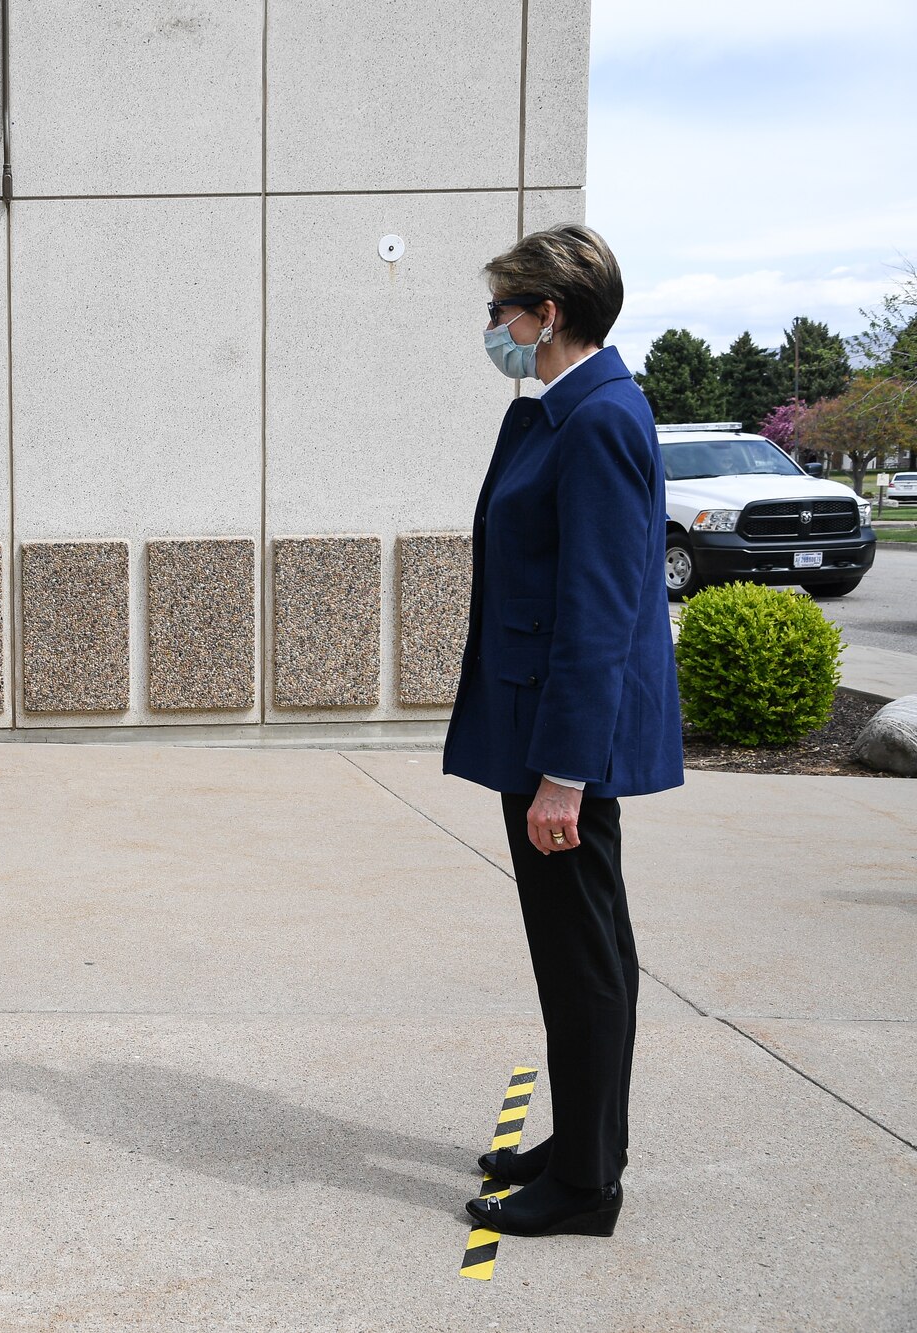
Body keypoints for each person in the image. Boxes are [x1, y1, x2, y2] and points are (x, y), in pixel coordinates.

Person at [443, 224, 683, 1238]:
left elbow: (598, 608)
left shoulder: (597, 421)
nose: (491, 328)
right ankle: (585, 1141)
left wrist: (563, 774)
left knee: (581, 958)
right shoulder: (557, 413)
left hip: (560, 742)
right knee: (583, 951)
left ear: (547, 314)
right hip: (540, 725)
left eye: (501, 310)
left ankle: (586, 1185)